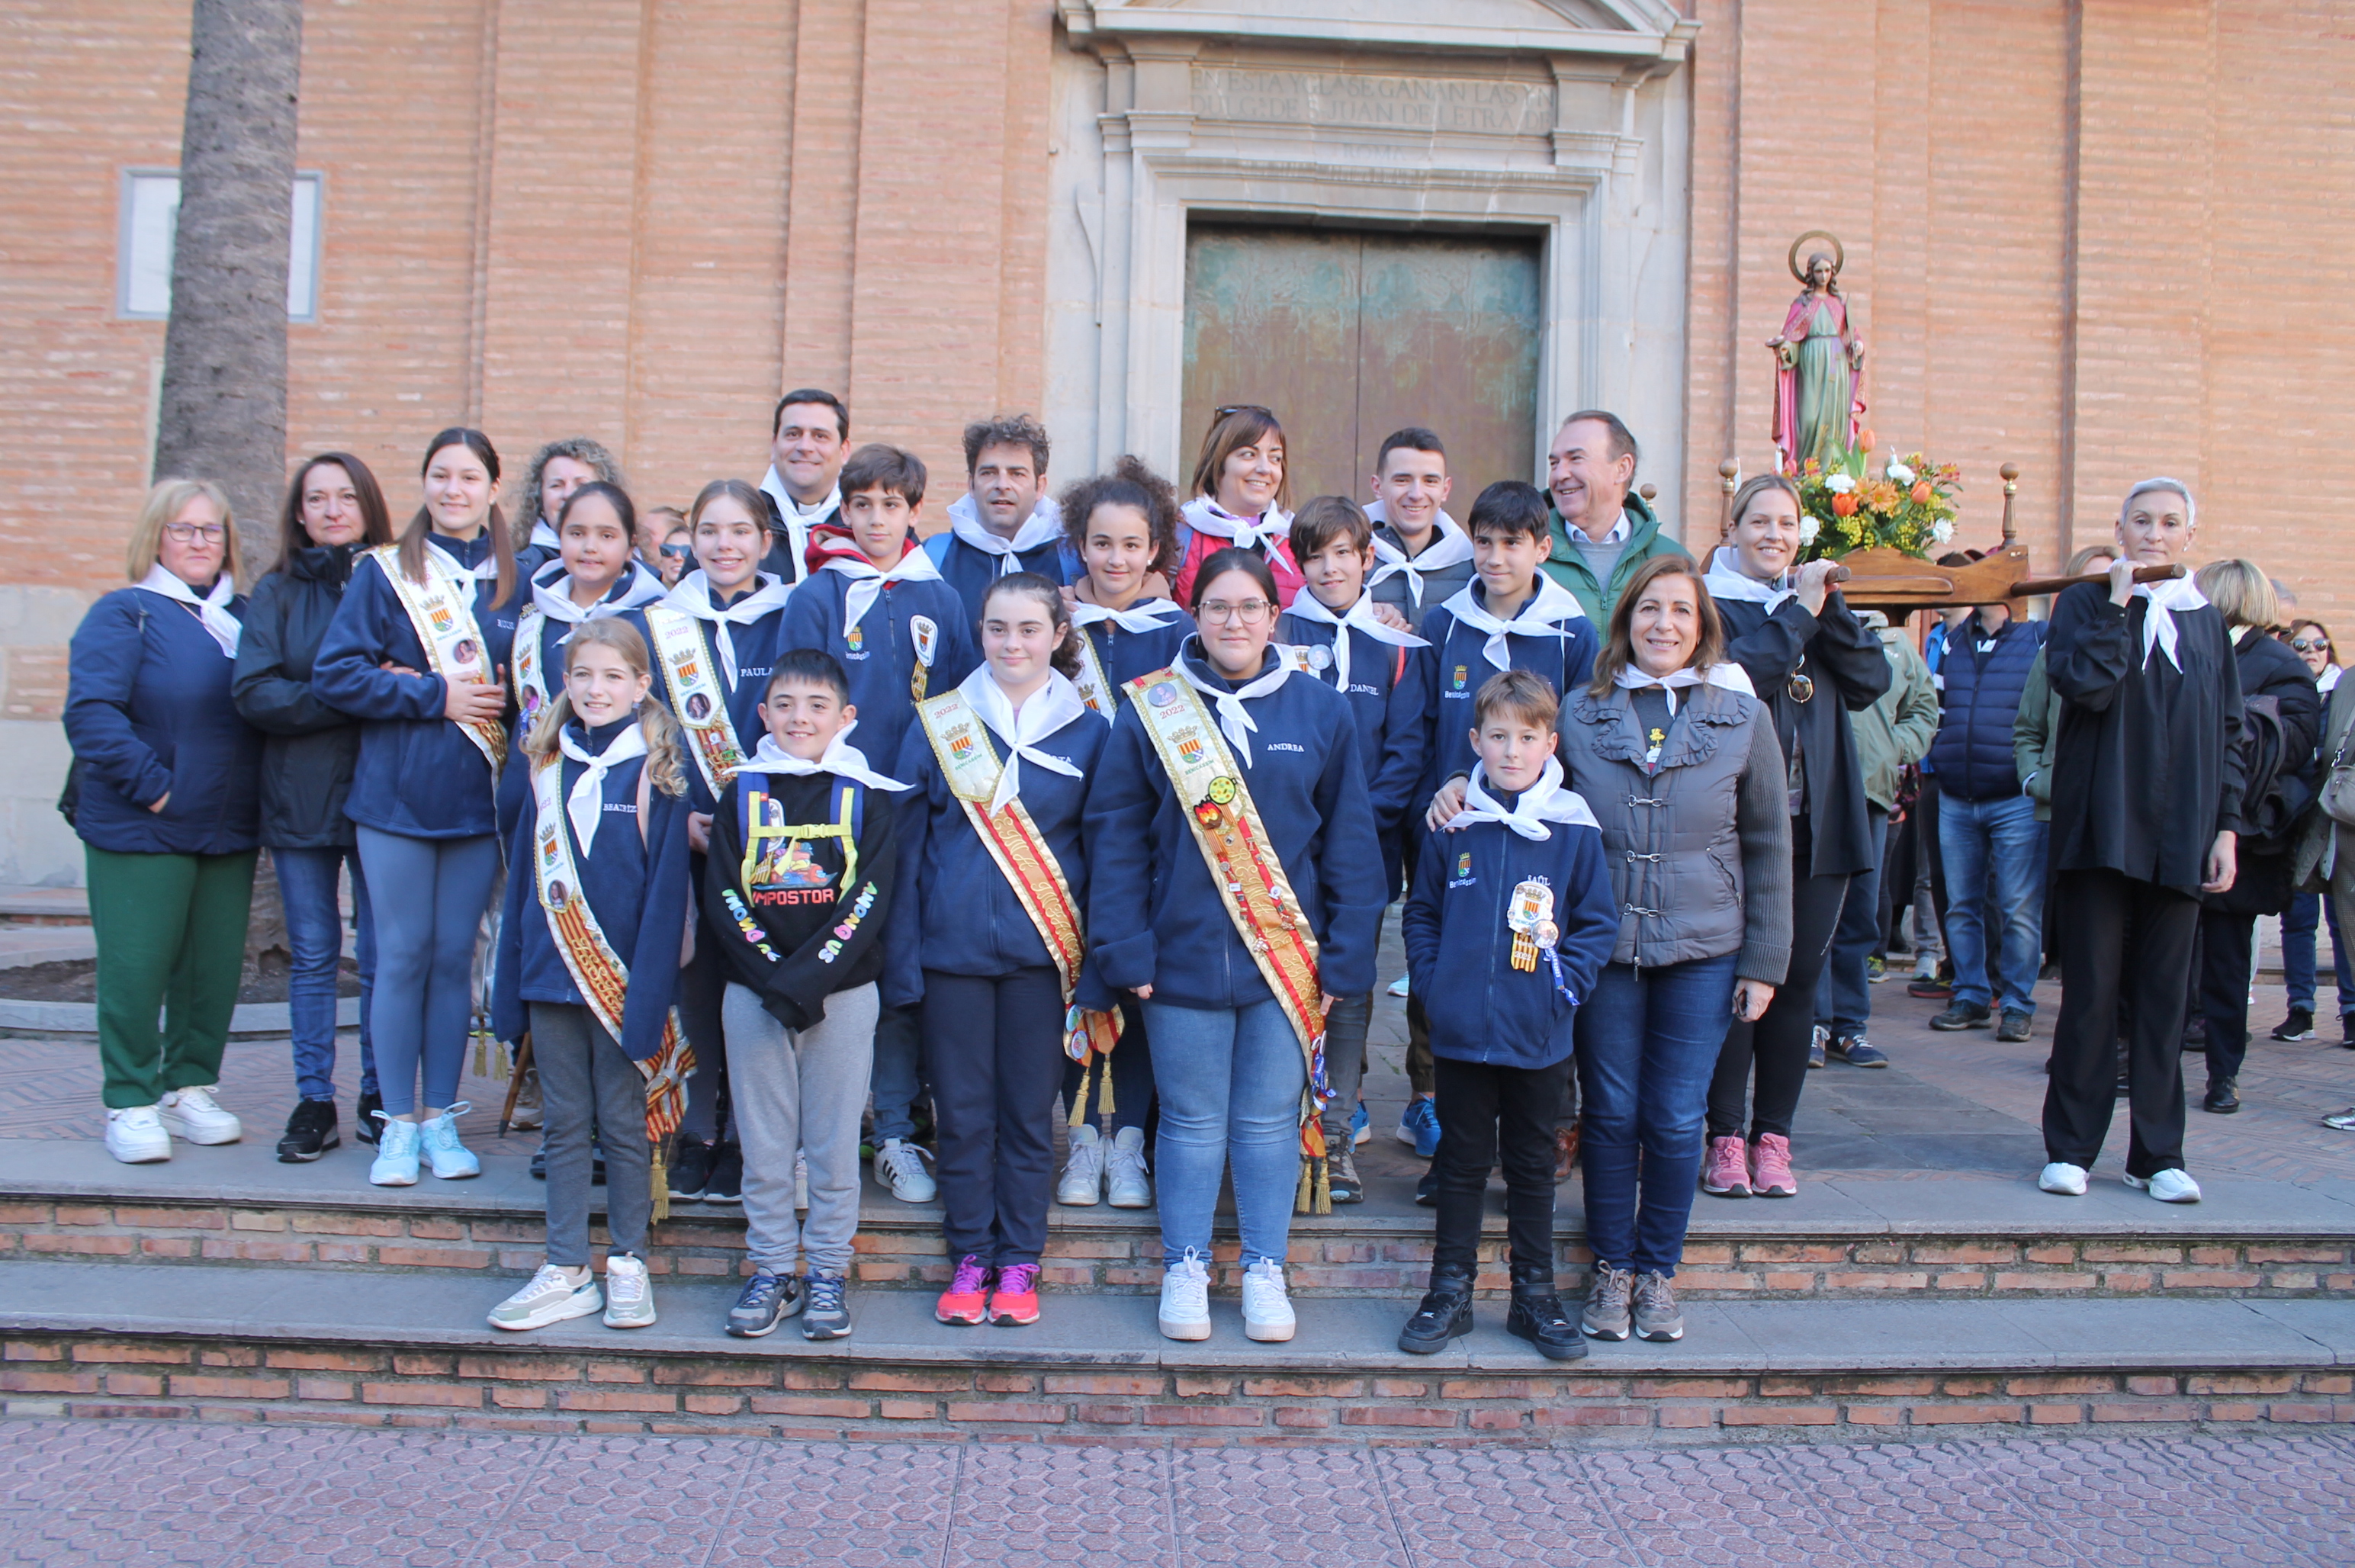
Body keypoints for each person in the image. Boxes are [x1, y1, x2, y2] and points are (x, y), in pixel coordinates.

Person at [1084, 548, 1385, 1344]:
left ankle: (1262, 1267)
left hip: (1284, 963)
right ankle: (1183, 1264)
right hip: (1177, 959)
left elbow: (1352, 844)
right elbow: (1114, 838)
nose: (1233, 622)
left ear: (1273, 617)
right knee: (1187, 1122)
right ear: (1196, 614)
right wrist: (1125, 947)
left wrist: (1348, 957)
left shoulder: (1321, 711)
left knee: (1262, 1122)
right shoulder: (1149, 707)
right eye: (1217, 607)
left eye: (1249, 607)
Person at [1551, 557, 1789, 1342]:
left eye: (1680, 612)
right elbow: (1530, 797)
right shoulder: (1581, 714)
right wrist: (1460, 787)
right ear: (1626, 622)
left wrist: (1764, 961)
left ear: (1702, 626)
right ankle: (1610, 1268)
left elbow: (1767, 840)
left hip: (1705, 946)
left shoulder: (1739, 716)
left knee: (1677, 1115)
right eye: (1649, 609)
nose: (1663, 624)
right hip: (1606, 946)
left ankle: (1657, 1272)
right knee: (1612, 1111)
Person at [889, 574, 1112, 1327]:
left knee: (1026, 1114)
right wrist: (904, 956)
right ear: (978, 632)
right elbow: (906, 847)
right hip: (950, 957)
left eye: (1027, 629)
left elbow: (1107, 854)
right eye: (996, 628)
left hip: (1042, 964)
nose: (1011, 643)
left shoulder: (1090, 732)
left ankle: (1018, 1259)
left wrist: (1098, 971)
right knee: (961, 1113)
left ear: (1057, 634)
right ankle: (968, 1256)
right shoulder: (938, 722)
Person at [315, 427, 522, 1185]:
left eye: (469, 477)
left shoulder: (516, 578)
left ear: (493, 488)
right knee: (396, 957)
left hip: (477, 803)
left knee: (449, 962)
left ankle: (440, 1116)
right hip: (396, 801)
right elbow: (336, 676)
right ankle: (395, 1124)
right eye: (440, 475)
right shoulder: (384, 574)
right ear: (425, 484)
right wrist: (432, 692)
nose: (454, 489)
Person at [777, 443, 978, 1204]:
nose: (874, 519)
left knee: (896, 970)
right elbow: (796, 703)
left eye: (889, 505)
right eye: (860, 505)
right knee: (821, 966)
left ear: (913, 512)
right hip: (829, 812)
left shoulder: (943, 597)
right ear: (843, 510)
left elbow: (959, 703)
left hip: (917, 813)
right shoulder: (819, 595)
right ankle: (810, 1139)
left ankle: (893, 1129)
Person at [1397, 670, 1617, 1361]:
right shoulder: (1453, 824)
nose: (1512, 752)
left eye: (1527, 738)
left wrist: (1564, 991)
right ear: (1476, 741)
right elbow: (1423, 910)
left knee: (1530, 1164)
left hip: (1539, 1036)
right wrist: (1436, 985)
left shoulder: (1573, 830)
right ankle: (1449, 1291)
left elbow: (1595, 924)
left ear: (1550, 743)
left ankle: (1535, 1296)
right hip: (1461, 1035)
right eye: (1498, 737)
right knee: (1461, 1164)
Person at [2039, 479, 2244, 1205]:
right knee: (2092, 995)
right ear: (2119, 528)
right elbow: (2085, 686)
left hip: (2182, 834)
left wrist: (2226, 827)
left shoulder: (2208, 623)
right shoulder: (2086, 605)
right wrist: (2119, 607)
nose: (2154, 533)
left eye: (2169, 523)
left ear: (2190, 534)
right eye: (2141, 521)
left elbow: (2229, 732)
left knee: (2164, 1000)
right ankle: (2070, 1148)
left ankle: (2158, 1154)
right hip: (2103, 829)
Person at [485, 619, 694, 1332]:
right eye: (583, 676)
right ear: (564, 684)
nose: (595, 689)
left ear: (641, 686)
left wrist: (650, 1000)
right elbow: (521, 890)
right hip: (550, 977)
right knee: (566, 1127)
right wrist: (507, 988)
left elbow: (668, 897)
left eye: (612, 677)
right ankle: (566, 1264)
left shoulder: (658, 772)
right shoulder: (547, 766)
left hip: (623, 988)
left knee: (625, 1126)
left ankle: (628, 1261)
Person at [702, 649, 904, 1341]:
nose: (800, 718)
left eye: (817, 706)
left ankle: (825, 1272)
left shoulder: (865, 795)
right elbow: (725, 894)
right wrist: (775, 977)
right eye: (785, 704)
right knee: (763, 1144)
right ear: (763, 714)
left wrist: (809, 977)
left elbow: (871, 895)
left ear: (845, 717)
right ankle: (767, 1269)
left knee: (833, 1141)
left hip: (842, 994)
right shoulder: (742, 792)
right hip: (753, 993)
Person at [1700, 474, 1889, 1199]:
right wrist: (1803, 611)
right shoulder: (1711, 604)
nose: (1774, 536)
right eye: (1760, 522)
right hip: (1740, 825)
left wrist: (1825, 606)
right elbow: (1744, 676)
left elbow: (1871, 677)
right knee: (1737, 981)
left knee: (1798, 981)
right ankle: (1722, 1134)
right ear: (1734, 526)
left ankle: (1772, 1137)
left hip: (1821, 821)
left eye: (1787, 525)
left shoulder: (1816, 605)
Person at [66, 479, 263, 1165]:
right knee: (137, 967)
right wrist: (156, 791)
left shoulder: (242, 618)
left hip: (227, 829)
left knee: (211, 971)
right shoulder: (125, 614)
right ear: (156, 536)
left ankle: (188, 1088)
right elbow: (90, 714)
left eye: (211, 531)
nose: (200, 542)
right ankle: (129, 1099)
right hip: (143, 827)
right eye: (184, 529)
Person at [1407, 480, 1598, 1171]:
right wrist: (1446, 785)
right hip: (1460, 822)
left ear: (1542, 548)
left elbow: (1578, 732)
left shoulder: (1571, 630)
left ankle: (1551, 1126)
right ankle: (1440, 1118)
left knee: (1536, 955)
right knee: (1452, 951)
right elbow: (1426, 722)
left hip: (1545, 831)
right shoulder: (1445, 624)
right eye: (1483, 541)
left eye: (1512, 543)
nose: (1495, 556)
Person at [233, 453, 396, 1162]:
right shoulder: (275, 593)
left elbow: (417, 680)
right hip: (298, 794)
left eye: (346, 497)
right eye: (316, 499)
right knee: (314, 955)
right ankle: (313, 1099)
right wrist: (349, 690)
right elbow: (255, 693)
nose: (332, 510)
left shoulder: (399, 583)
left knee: (383, 954)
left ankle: (379, 1092)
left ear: (368, 506)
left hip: (381, 791)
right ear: (298, 513)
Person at [646, 479, 798, 1203]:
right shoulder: (661, 626)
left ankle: (748, 1134)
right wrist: (678, 821)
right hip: (691, 833)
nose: (724, 545)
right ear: (690, 542)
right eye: (709, 531)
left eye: (740, 531)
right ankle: (701, 1127)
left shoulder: (793, 617)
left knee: (758, 982)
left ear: (765, 542)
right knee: (699, 982)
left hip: (773, 839)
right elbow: (640, 739)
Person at [1277, 496, 1433, 1201]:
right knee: (1281, 987)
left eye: (1345, 553)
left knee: (1349, 989)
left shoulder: (1396, 646)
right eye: (1316, 554)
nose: (1331, 566)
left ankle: (1336, 1133)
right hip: (1282, 852)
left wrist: (1346, 829)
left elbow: (1405, 752)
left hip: (1360, 853)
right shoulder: (1276, 634)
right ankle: (1280, 1129)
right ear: (1299, 562)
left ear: (1368, 559)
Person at [1049, 458, 1193, 1205]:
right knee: (1081, 981)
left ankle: (1130, 1136)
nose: (1116, 559)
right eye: (1101, 543)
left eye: (1132, 545)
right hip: (1064, 836)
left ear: (1156, 549)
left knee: (1139, 981)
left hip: (1149, 839)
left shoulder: (1179, 635)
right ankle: (1082, 1137)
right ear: (1079, 542)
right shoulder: (1049, 626)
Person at [2190, 562, 2320, 1114]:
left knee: (2224, 965)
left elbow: (2293, 746)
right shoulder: (2191, 649)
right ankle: (2148, 1057)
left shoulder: (2280, 665)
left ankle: (2224, 1073)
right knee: (2166, 958)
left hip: (2240, 835)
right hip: (2181, 830)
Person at [504, 481, 669, 845]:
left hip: (623, 811)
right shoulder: (532, 619)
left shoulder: (657, 622)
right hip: (533, 803)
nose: (590, 547)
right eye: (576, 533)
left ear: (631, 545)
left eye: (607, 535)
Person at [1812, 607, 1936, 1067]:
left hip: (1870, 793)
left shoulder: (1897, 645)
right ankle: (1813, 1021)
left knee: (1861, 913)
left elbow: (1924, 706)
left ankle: (1850, 1024)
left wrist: (1894, 749)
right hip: (1816, 793)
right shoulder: (1810, 626)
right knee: (1817, 916)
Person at [1923, 596, 2049, 1042]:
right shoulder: (1955, 642)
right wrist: (1935, 753)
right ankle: (1971, 995)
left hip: (2014, 796)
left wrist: (2035, 775)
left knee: (2018, 908)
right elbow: (1935, 706)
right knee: (1961, 906)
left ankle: (2016, 1004)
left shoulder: (2037, 638)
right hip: (1957, 793)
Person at [2275, 616, 2350, 1045]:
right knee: (2298, 919)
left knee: (2344, 918)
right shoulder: (2285, 692)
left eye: (2319, 645)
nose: (2312, 652)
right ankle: (2300, 1008)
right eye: (2301, 645)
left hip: (2338, 821)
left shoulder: (2347, 694)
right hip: (2299, 818)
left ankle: (2352, 1009)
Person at [1541, 411, 1689, 625]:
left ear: (1622, 468)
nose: (1559, 475)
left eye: (1576, 459)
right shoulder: (1524, 555)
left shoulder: (1671, 560)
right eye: (1554, 463)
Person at [924, 414, 1067, 628]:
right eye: (989, 472)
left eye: (1017, 474)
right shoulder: (931, 558)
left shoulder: (1073, 561)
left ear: (1040, 486)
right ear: (972, 484)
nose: (1002, 485)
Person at [1170, 406, 1304, 609]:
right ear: (1218, 462)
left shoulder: (1299, 539)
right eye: (1249, 454)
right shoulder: (1177, 537)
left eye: (1275, 458)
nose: (1264, 468)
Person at [1364, 428, 1473, 619]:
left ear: (1445, 489)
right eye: (1402, 480)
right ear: (1377, 486)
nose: (1416, 494)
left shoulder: (1471, 569)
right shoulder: (1350, 562)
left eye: (1430, 481)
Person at [758, 389, 850, 583]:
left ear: (844, 450)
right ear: (774, 446)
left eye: (820, 436)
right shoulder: (741, 521)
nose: (805, 446)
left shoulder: (868, 525)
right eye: (793, 434)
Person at [516, 437, 625, 583]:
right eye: (556, 485)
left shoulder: (640, 577)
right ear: (539, 498)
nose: (568, 494)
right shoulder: (517, 575)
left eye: (581, 485)